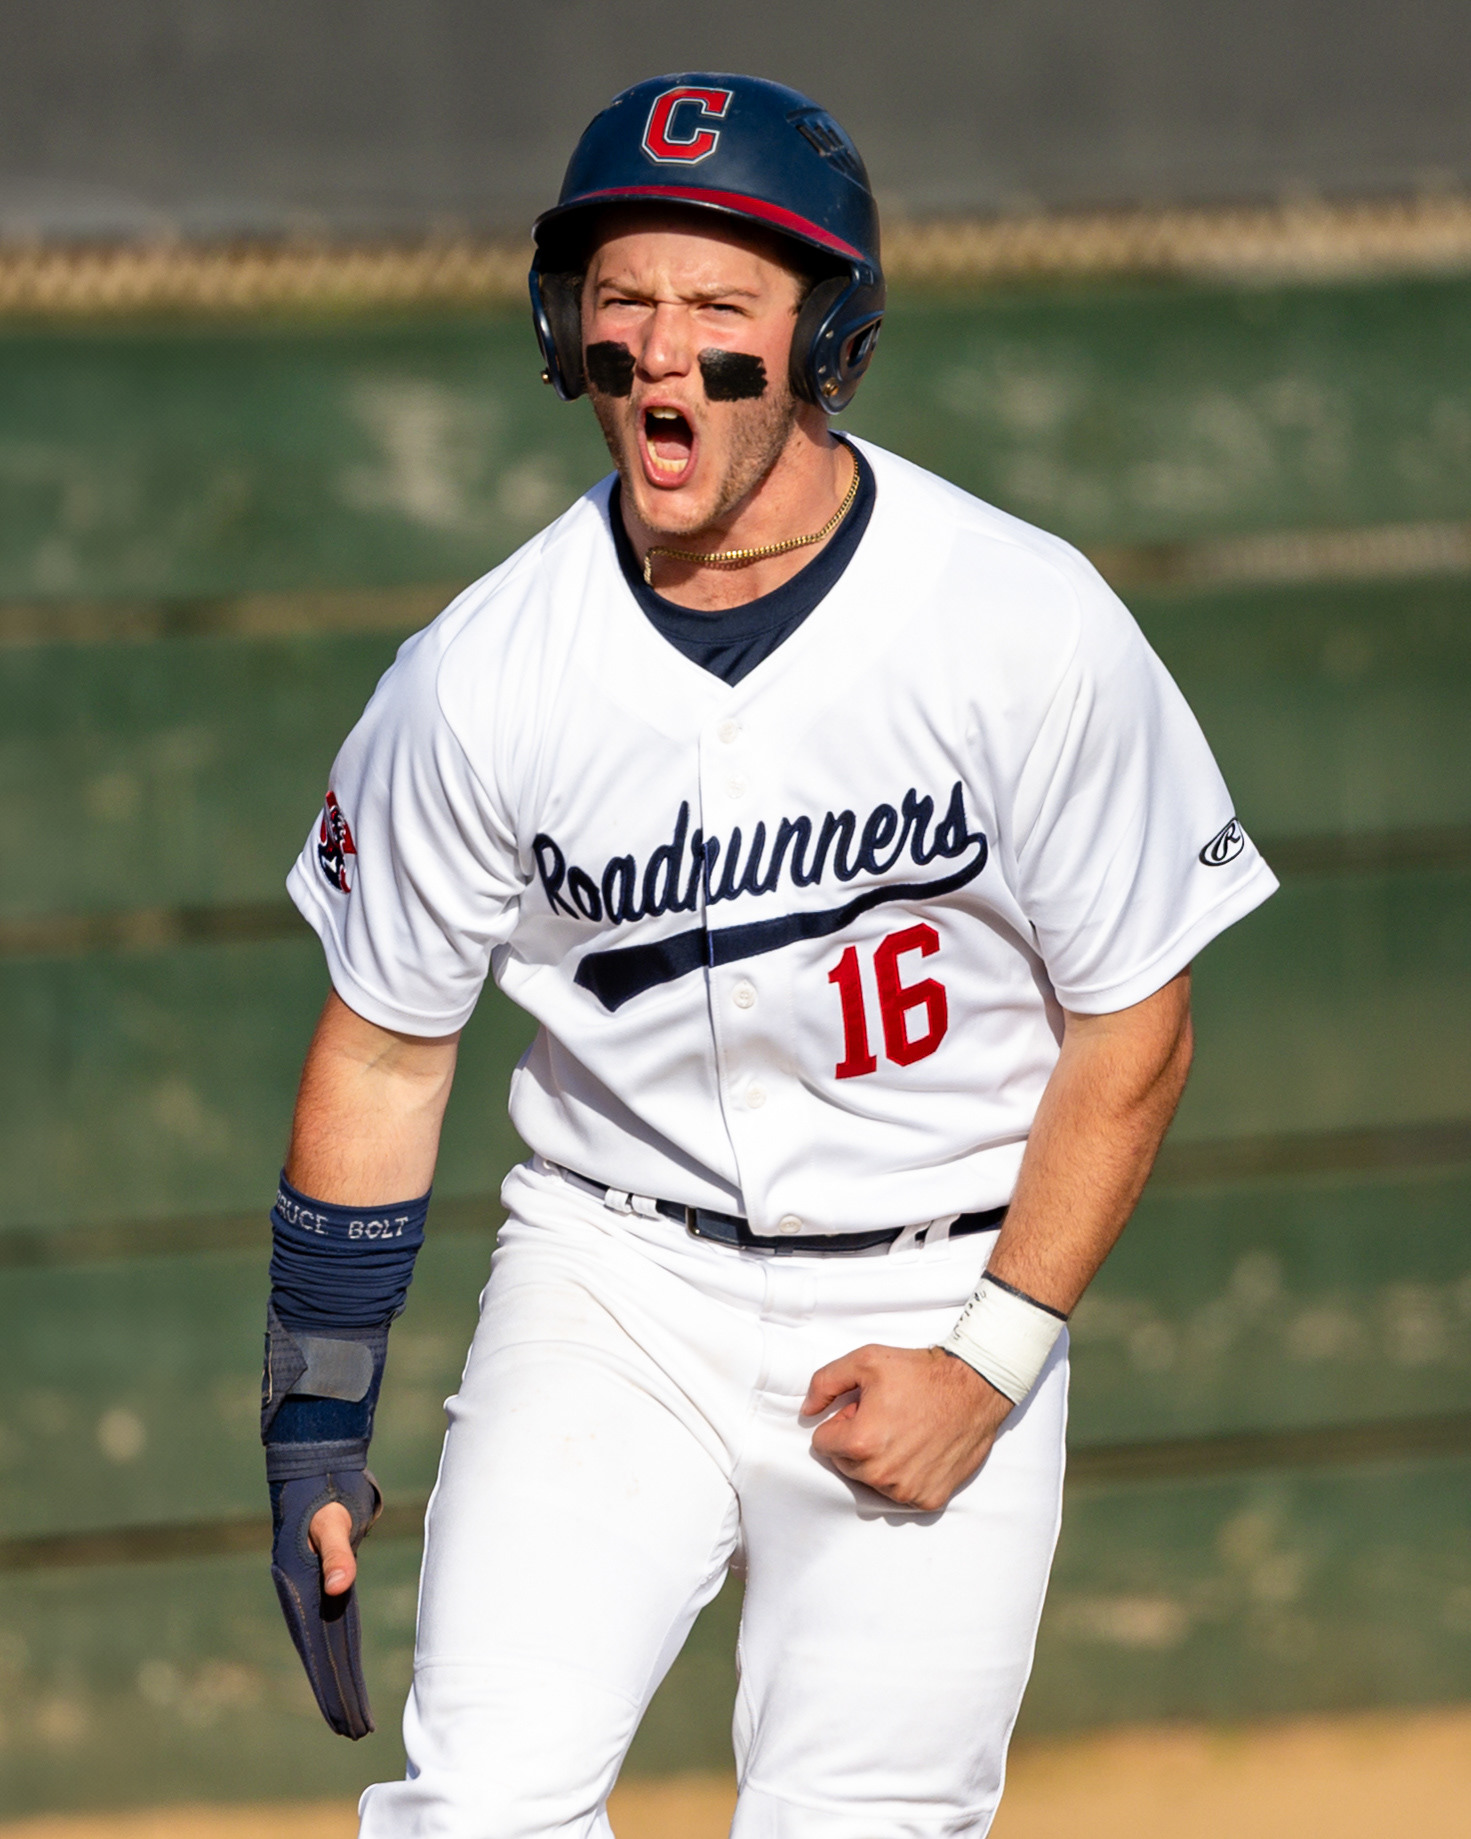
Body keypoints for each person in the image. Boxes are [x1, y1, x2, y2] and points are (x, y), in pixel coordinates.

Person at [260, 72, 1277, 1838]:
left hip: (942, 1272)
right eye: (623, 300)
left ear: (828, 338)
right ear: (564, 327)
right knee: (475, 1808)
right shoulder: (482, 672)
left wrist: (994, 1360)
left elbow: (1138, 1023)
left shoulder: (1017, 622)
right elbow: (384, 1046)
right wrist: (313, 1413)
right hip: (612, 1279)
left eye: (722, 307)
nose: (660, 350)